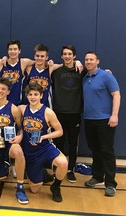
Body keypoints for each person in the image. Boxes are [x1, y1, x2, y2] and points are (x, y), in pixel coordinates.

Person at [19, 82, 68, 202]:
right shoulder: (22, 109)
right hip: (30, 152)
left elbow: (60, 131)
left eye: (36, 94)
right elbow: (5, 106)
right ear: (27, 96)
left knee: (63, 163)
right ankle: (43, 173)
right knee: (34, 190)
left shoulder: (48, 112)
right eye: (30, 94)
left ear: (41, 96)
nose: (33, 97)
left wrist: (44, 137)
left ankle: (56, 186)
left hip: (45, 148)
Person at [83, 51, 120, 197]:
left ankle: (111, 184)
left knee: (107, 151)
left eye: (91, 59)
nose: (89, 62)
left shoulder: (106, 76)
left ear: (97, 61)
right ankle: (98, 177)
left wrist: (114, 115)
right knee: (95, 149)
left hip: (105, 120)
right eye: (86, 59)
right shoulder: (85, 77)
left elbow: (116, 94)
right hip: (89, 120)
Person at [50, 45, 83, 183]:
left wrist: (108, 71)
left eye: (70, 54)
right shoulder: (56, 71)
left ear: (74, 56)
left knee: (72, 143)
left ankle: (71, 170)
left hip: (74, 113)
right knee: (58, 142)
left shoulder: (81, 70)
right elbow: (40, 63)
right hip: (58, 113)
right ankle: (58, 168)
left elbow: (94, 70)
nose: (67, 56)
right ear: (62, 56)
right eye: (65, 54)